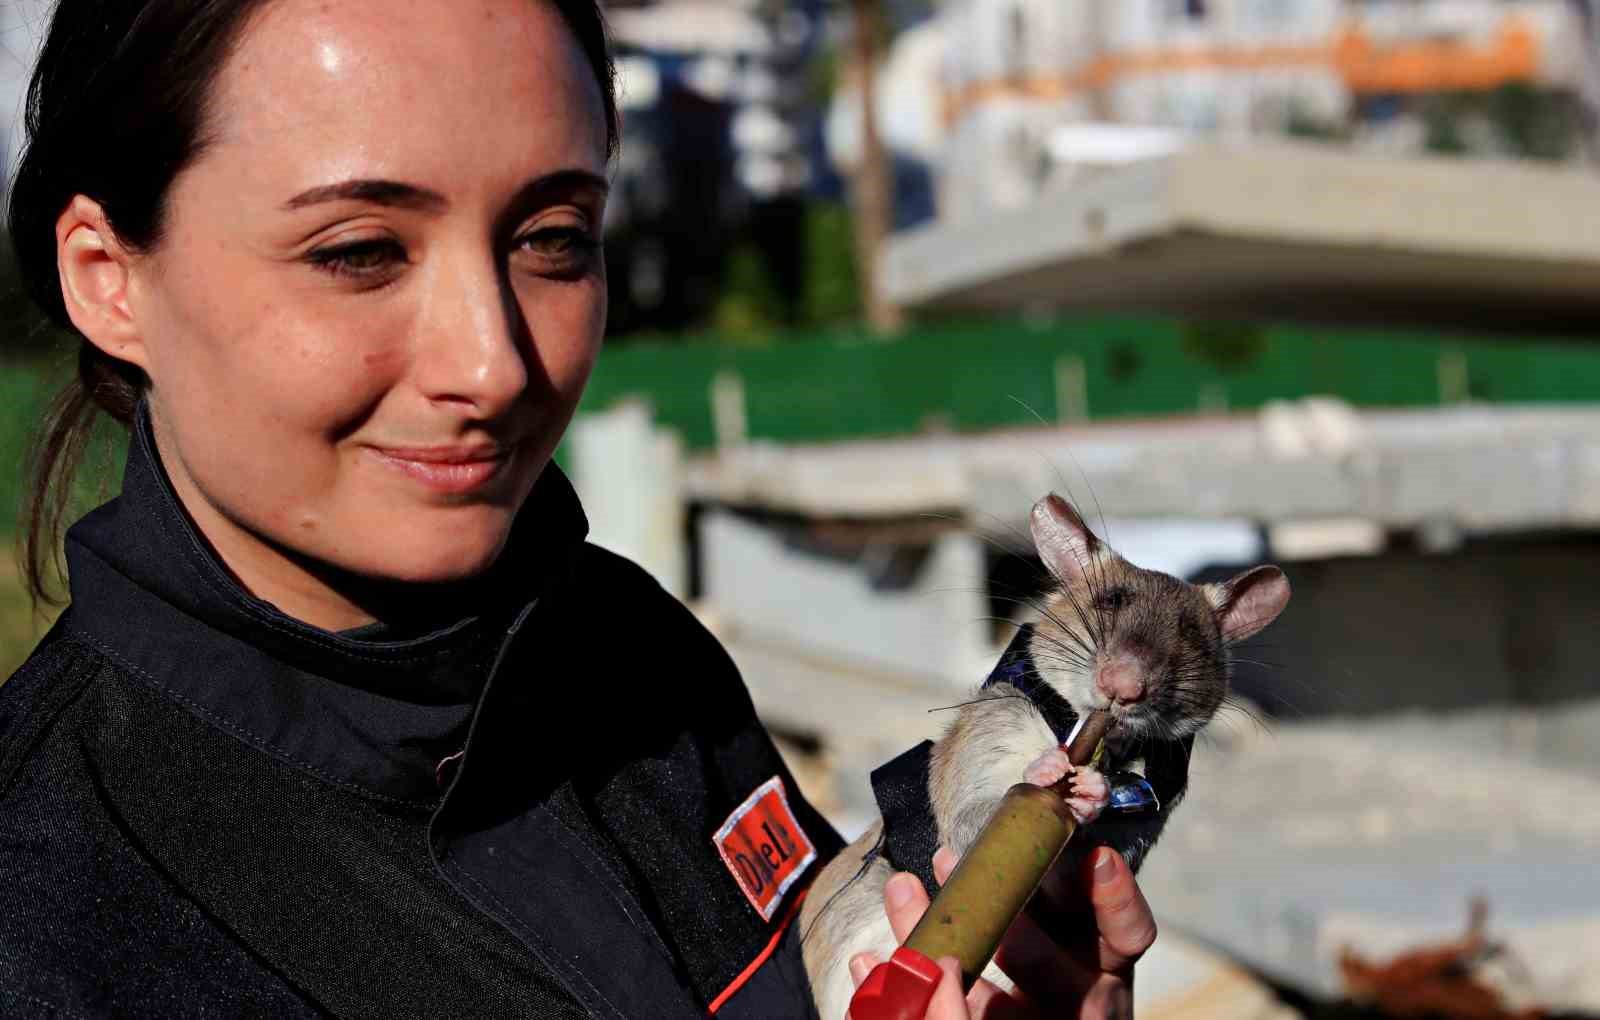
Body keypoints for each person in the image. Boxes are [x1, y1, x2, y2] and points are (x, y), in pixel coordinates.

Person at [0, 1, 1156, 1017]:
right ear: (110, 278)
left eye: (552, 238)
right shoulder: (49, 914)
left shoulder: (630, 656)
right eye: (358, 251)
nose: (494, 364)